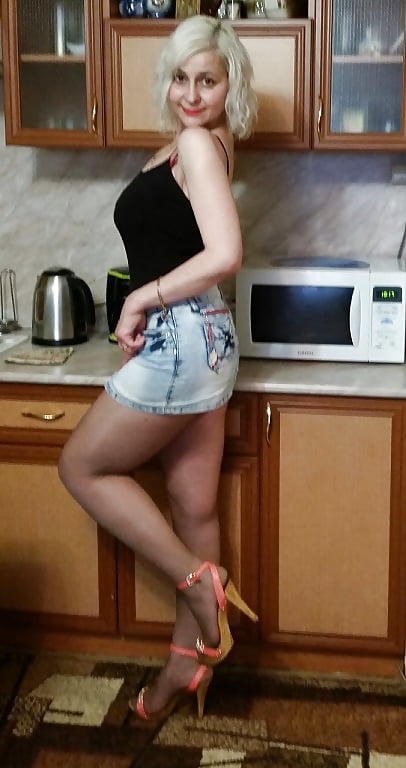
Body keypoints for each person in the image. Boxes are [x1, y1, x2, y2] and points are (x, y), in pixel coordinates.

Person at [58, 14, 258, 722]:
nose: (191, 94)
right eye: (180, 78)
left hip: (180, 338)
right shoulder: (200, 142)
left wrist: (142, 298)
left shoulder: (198, 143)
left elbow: (224, 253)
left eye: (208, 81)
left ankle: (200, 585)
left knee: (80, 467)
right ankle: (188, 662)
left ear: (231, 87)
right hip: (209, 339)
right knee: (193, 505)